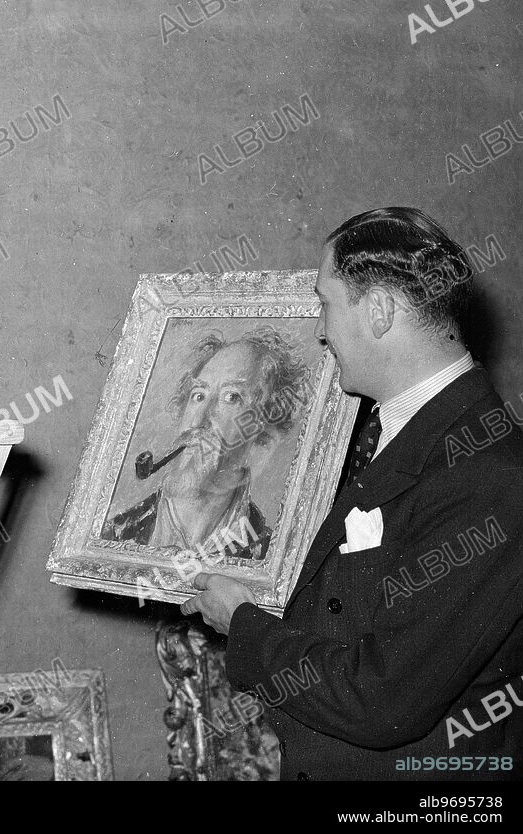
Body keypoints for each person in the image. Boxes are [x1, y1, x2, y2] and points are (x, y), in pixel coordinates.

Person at [181, 207, 523, 781]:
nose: (320, 329)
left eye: (326, 303)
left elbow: (383, 701)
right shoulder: (385, 436)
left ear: (381, 310)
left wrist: (242, 623)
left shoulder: (488, 475)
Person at [102, 326, 308, 561]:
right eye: (198, 395)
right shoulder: (115, 535)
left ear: (262, 439)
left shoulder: (268, 554)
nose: (198, 421)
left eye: (231, 397)